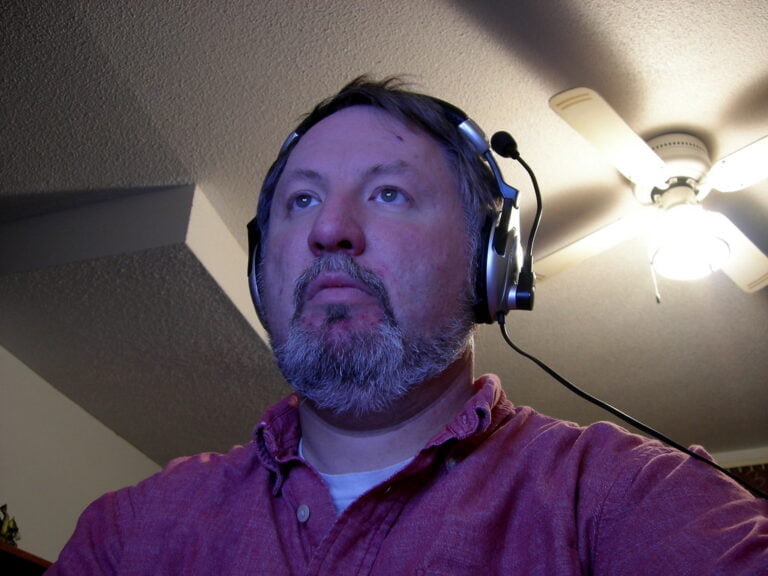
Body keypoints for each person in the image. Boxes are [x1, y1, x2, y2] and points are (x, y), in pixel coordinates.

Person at [47, 76, 767, 575]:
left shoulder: (625, 499)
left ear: (493, 263)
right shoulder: (130, 533)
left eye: (388, 193)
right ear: (262, 267)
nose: (329, 228)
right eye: (299, 202)